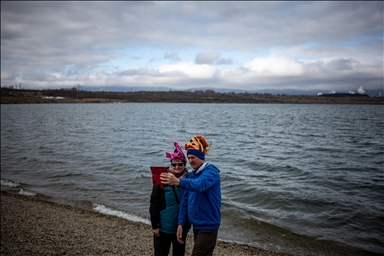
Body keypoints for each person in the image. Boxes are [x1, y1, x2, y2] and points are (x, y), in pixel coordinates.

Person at [160, 135, 221, 256]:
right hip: (197, 224)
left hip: (209, 224)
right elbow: (184, 201)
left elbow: (200, 184)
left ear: (201, 156)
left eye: (193, 157)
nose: (191, 160)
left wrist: (178, 182)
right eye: (189, 158)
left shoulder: (211, 171)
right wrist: (181, 223)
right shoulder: (192, 175)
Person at [149, 142, 189, 256]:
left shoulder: (189, 181)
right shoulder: (162, 178)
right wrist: (155, 225)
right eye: (174, 164)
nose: (177, 167)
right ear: (170, 164)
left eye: (180, 164)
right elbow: (154, 203)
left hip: (181, 229)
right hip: (163, 229)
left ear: (184, 165)